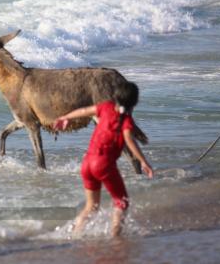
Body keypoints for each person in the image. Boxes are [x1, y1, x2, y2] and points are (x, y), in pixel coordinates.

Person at [52, 82, 154, 238]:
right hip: (103, 165)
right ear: (135, 102)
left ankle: (75, 235)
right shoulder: (126, 121)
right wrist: (143, 162)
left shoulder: (106, 107)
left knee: (91, 206)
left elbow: (85, 111)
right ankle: (115, 237)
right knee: (121, 203)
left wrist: (64, 117)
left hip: (87, 163)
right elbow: (129, 140)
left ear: (115, 97)